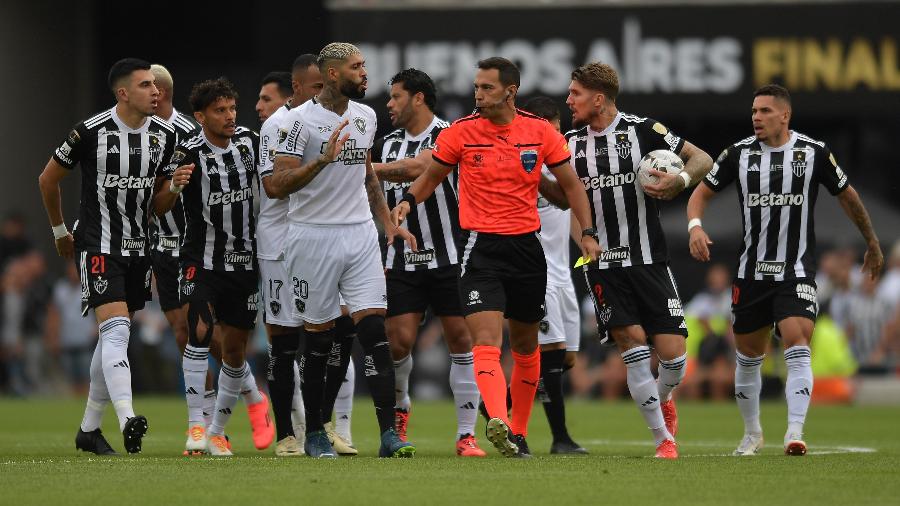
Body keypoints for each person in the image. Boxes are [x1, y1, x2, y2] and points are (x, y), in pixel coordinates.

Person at [392, 57, 599, 458]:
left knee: (525, 347)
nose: (478, 94)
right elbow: (431, 176)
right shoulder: (461, 132)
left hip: (526, 249)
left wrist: (587, 233)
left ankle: (517, 434)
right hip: (480, 249)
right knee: (485, 341)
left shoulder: (538, 132)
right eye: (476, 87)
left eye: (487, 88)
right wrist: (405, 201)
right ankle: (498, 420)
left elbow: (572, 187)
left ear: (510, 90)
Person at [687, 83, 883, 456]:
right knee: (748, 356)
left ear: (785, 115)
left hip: (795, 270)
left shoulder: (813, 153)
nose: (756, 118)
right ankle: (751, 433)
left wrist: (872, 241)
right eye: (753, 112)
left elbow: (848, 196)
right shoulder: (738, 154)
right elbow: (701, 194)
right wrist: (696, 226)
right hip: (751, 273)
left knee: (797, 340)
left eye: (764, 111)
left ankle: (794, 431)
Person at [542, 62, 714, 459]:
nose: (569, 101)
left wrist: (680, 180)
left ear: (598, 99)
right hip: (602, 264)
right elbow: (564, 199)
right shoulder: (567, 143)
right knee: (631, 343)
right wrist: (537, 178)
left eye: (575, 94)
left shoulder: (644, 130)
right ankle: (663, 440)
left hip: (649, 259)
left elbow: (701, 158)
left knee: (673, 356)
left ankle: (665, 397)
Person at [271, 42, 417, 458]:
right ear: (333, 74)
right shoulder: (299, 123)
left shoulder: (365, 116)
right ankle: (315, 432)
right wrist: (320, 162)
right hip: (311, 236)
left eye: (364, 65)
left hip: (357, 236)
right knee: (318, 340)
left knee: (373, 332)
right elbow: (278, 185)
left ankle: (389, 434)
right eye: (356, 67)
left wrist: (389, 224)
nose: (364, 73)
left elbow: (367, 176)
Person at [38, 58, 178, 454]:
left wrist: (176, 189)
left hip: (139, 248)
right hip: (98, 244)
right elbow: (48, 180)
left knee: (111, 336)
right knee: (116, 331)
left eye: (156, 85)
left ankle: (88, 429)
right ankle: (127, 417)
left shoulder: (164, 137)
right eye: (146, 85)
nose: (156, 91)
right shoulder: (89, 132)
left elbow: (159, 204)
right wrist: (60, 231)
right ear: (123, 93)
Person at [153, 77, 269, 456]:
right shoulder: (186, 152)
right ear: (200, 116)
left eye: (232, 108)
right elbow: (159, 206)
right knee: (198, 331)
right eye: (220, 111)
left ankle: (219, 430)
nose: (230, 116)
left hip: (246, 261)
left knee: (235, 351)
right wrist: (173, 187)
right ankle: (196, 427)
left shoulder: (251, 143)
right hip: (201, 259)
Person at [374, 68, 485, 457]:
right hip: (401, 259)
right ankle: (400, 417)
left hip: (451, 255)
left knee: (461, 340)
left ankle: (466, 434)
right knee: (398, 343)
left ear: (418, 98)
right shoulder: (386, 143)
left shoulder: (449, 135)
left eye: (396, 97)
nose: (389, 104)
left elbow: (421, 168)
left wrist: (366, 169)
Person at [258, 55, 357, 457]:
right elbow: (273, 188)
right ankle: (286, 434)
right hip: (281, 242)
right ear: (297, 89)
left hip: (330, 240)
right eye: (316, 87)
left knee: (340, 332)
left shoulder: (345, 119)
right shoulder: (278, 125)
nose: (324, 93)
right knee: (284, 340)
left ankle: (320, 423)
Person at [510, 96, 586, 454]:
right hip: (535, 272)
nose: (554, 137)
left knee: (566, 358)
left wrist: (586, 240)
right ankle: (560, 439)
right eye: (547, 131)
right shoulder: (520, 164)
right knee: (550, 354)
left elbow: (569, 209)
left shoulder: (562, 164)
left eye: (557, 131)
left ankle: (496, 405)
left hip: (563, 273)